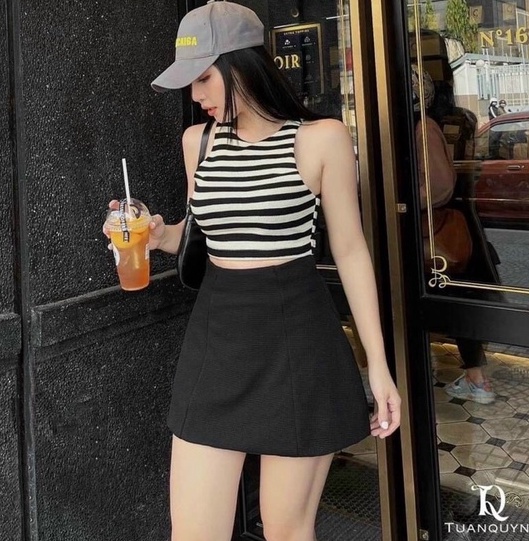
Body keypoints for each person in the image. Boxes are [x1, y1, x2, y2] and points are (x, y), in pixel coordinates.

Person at [105, 2, 401, 540]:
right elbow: (202, 233)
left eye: (203, 78)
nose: (196, 96)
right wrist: (154, 233)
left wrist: (378, 366)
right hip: (217, 339)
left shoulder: (321, 138)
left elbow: (352, 251)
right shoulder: (198, 142)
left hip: (296, 340)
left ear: (241, 65)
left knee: (286, 531)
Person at [411, 65, 495, 405]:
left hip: (435, 231)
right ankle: (472, 377)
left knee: (452, 300)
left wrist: (401, 201)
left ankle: (476, 379)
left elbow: (439, 185)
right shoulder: (433, 123)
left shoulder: (423, 127)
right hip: (442, 228)